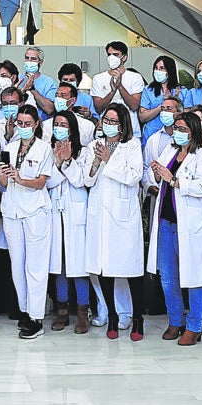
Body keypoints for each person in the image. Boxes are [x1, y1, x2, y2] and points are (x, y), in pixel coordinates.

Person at [147, 111, 202, 346]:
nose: (177, 132)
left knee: (195, 276)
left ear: (194, 131)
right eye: (176, 128)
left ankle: (195, 326)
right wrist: (156, 173)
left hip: (190, 225)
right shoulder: (170, 150)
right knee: (168, 277)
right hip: (166, 222)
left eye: (183, 129)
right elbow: (158, 178)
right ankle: (176, 320)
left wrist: (173, 180)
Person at [81, 104, 146, 341]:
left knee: (131, 268)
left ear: (122, 124)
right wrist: (97, 163)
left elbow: (133, 176)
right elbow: (87, 182)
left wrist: (109, 160)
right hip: (100, 215)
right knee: (104, 268)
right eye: (105, 119)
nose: (107, 124)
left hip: (123, 214)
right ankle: (113, 315)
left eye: (112, 120)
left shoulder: (132, 146)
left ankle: (138, 317)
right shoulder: (93, 147)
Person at [0, 105, 54, 339]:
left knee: (36, 267)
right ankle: (24, 311)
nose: (22, 127)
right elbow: (2, 182)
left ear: (36, 124)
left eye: (27, 123)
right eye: (19, 123)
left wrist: (20, 179)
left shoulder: (44, 149)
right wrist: (4, 176)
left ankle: (37, 317)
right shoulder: (9, 148)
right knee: (17, 265)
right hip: (12, 211)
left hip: (35, 212)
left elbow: (41, 182)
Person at [47, 110, 91, 333]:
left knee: (79, 265)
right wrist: (56, 161)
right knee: (60, 265)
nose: (60, 128)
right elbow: (48, 182)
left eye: (64, 124)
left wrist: (67, 161)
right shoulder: (48, 150)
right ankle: (61, 311)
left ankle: (83, 312)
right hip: (56, 213)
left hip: (76, 213)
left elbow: (80, 180)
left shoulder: (84, 151)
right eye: (57, 124)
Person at [88, 41, 145, 139]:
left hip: (131, 131)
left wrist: (120, 87)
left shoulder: (135, 77)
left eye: (115, 54)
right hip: (106, 131)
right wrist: (112, 91)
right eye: (109, 55)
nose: (111, 58)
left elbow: (134, 105)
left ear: (124, 57)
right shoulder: (98, 78)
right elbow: (98, 107)